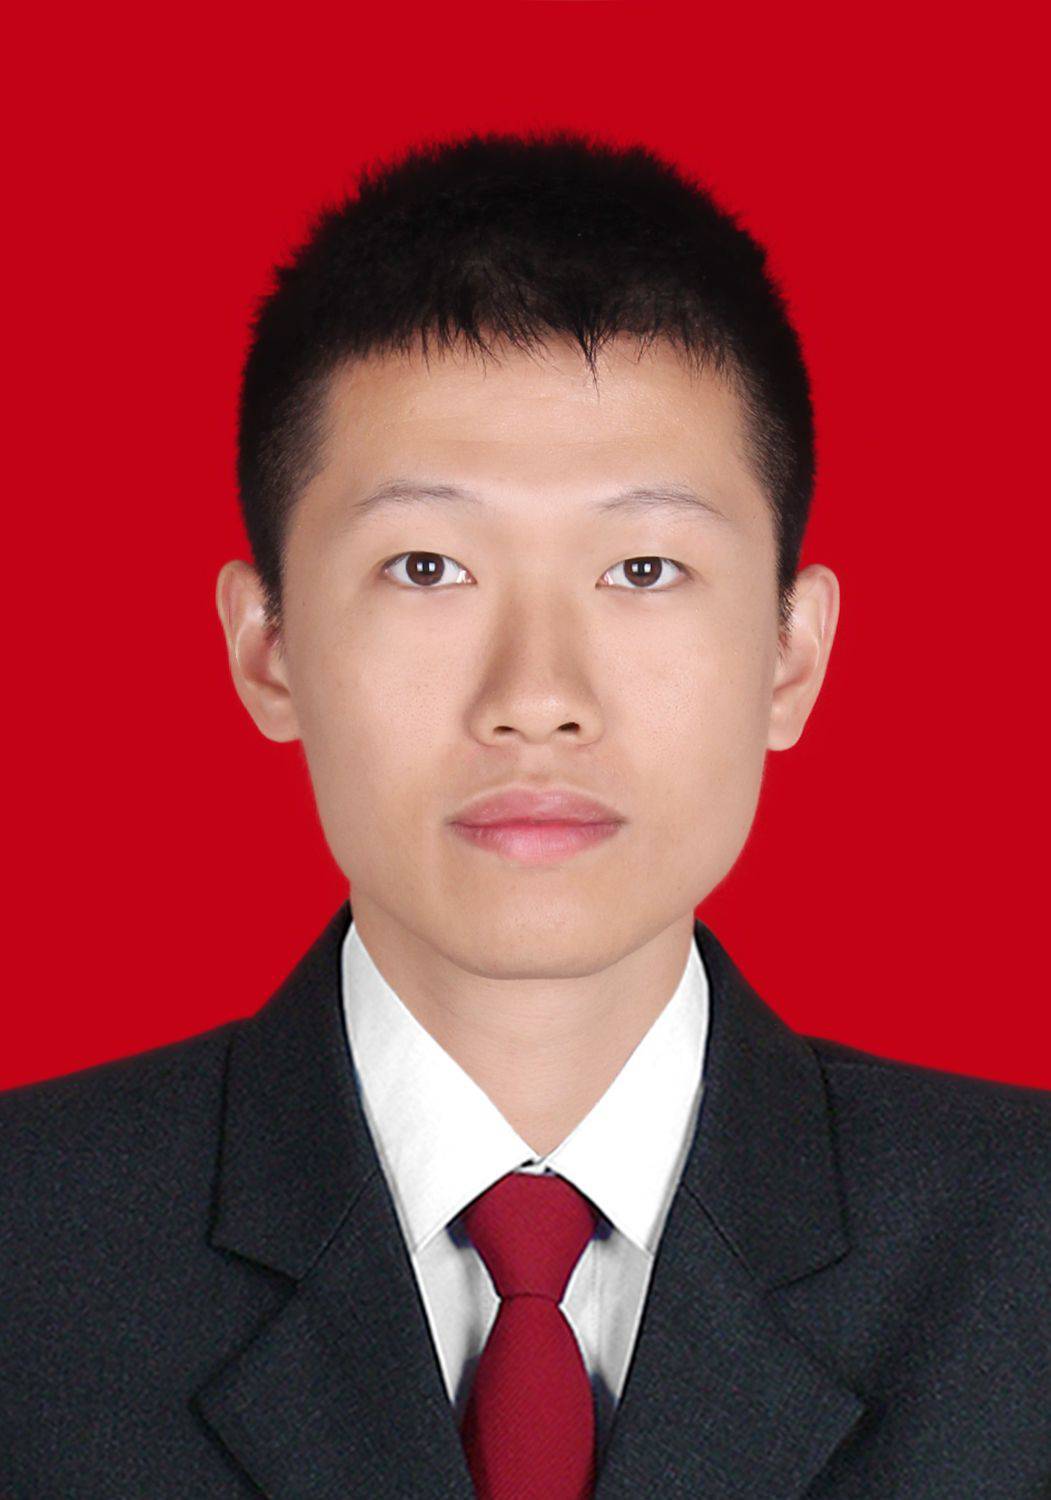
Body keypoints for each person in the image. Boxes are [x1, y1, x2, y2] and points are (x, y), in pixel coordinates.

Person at [2, 128, 1049, 1500]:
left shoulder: (1023, 1247)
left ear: (792, 656)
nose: (538, 698)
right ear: (268, 649)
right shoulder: (31, 1248)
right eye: (427, 567)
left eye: (644, 567)